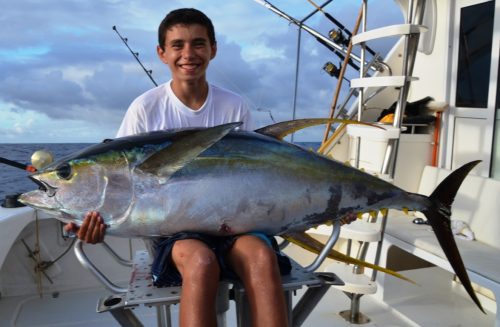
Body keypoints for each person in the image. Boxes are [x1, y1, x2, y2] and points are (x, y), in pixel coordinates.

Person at [66, 8, 291, 327]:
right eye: (177, 45)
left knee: (261, 256)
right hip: (175, 233)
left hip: (235, 226)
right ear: (161, 53)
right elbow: (119, 176)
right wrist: (90, 217)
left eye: (198, 44)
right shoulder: (145, 108)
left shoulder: (234, 106)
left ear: (213, 49)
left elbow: (256, 173)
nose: (189, 54)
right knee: (200, 261)